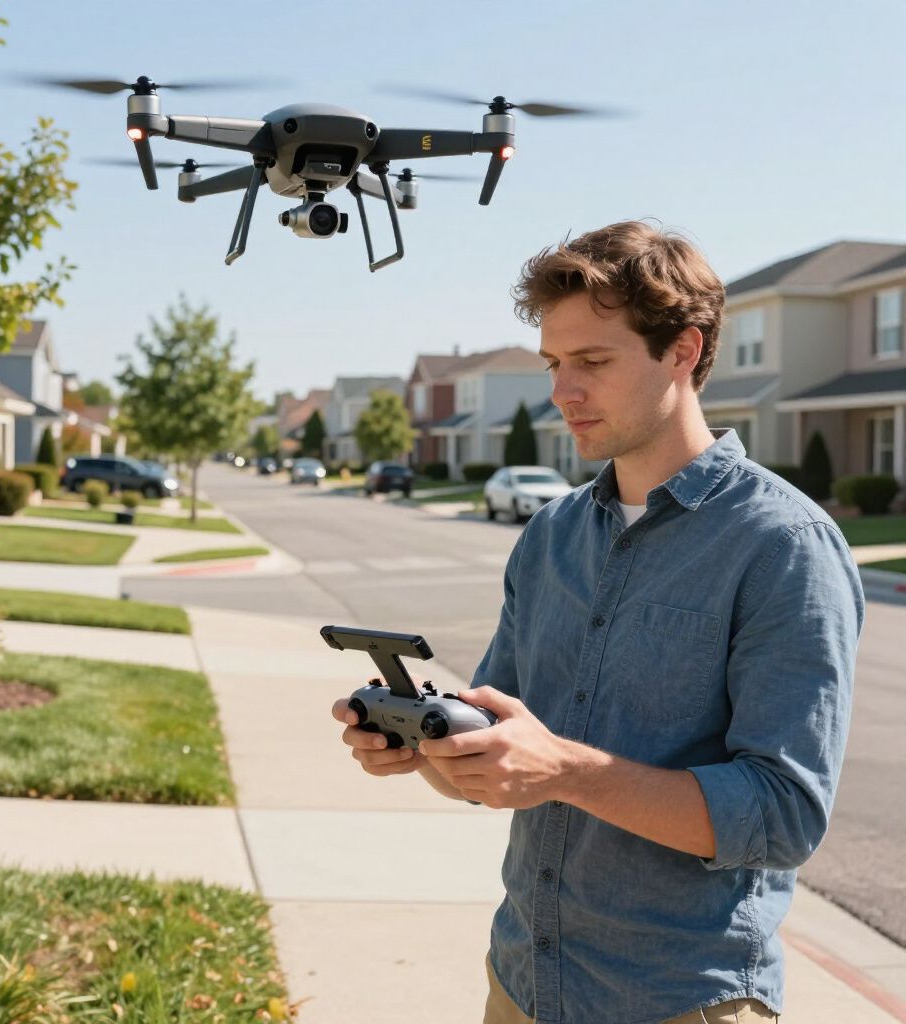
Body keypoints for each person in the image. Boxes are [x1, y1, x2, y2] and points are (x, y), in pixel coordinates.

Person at [332, 220, 864, 1024]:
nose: (562, 391)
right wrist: (424, 746)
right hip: (521, 983)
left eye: (593, 361)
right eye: (554, 363)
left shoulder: (783, 545)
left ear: (682, 351)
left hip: (677, 1001)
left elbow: (782, 814)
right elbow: (503, 758)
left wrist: (566, 772)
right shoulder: (551, 535)